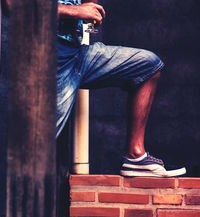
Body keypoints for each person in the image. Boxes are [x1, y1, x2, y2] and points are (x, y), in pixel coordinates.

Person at [57, 0, 186, 177]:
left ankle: (135, 155)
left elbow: (85, 12)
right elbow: (14, 6)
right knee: (37, 142)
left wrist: (88, 10)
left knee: (148, 65)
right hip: (51, 57)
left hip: (80, 53)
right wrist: (74, 11)